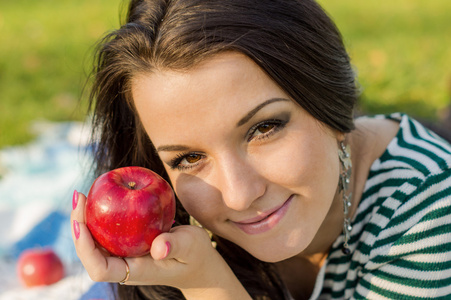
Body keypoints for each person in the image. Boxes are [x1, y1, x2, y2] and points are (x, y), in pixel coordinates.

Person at [70, 0, 451, 299]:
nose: (238, 195)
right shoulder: (178, 224)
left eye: (263, 128)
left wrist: (206, 283)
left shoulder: (428, 209)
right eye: (189, 158)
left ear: (330, 100)